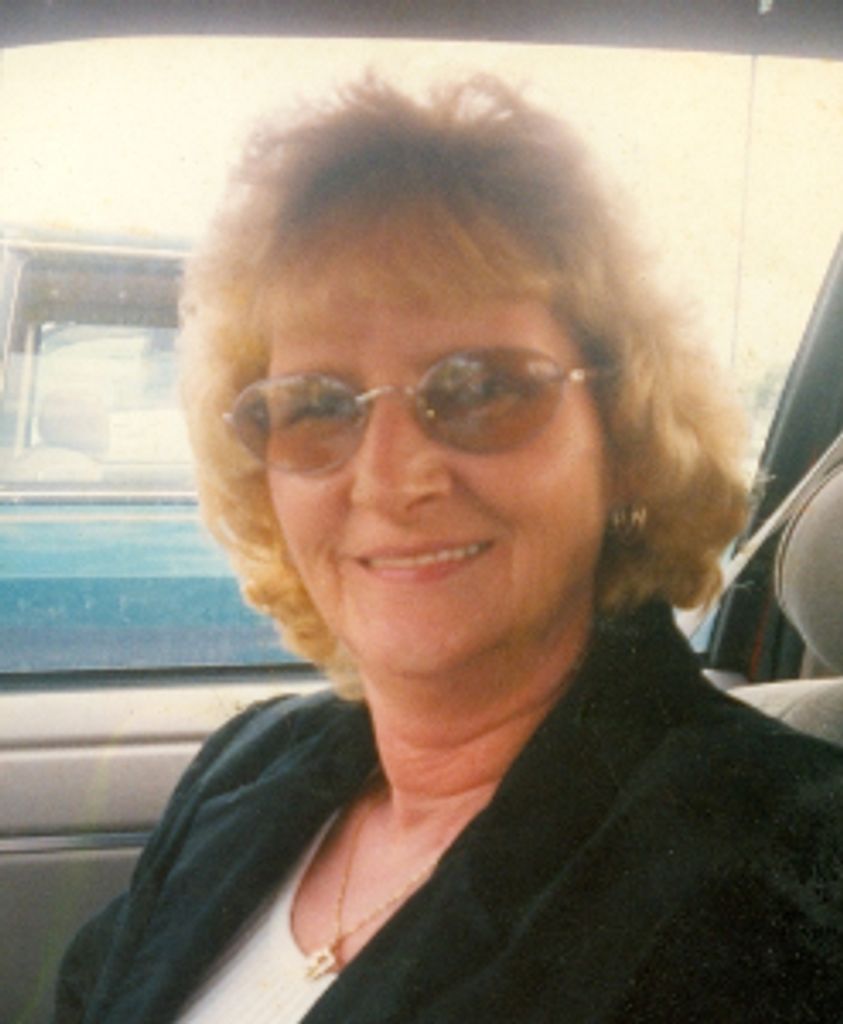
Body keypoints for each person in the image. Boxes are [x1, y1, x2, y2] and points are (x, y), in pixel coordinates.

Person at [53, 76, 843, 1023]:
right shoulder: (250, 766)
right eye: (317, 407)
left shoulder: (779, 861)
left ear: (624, 435)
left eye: (479, 390)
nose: (390, 478)